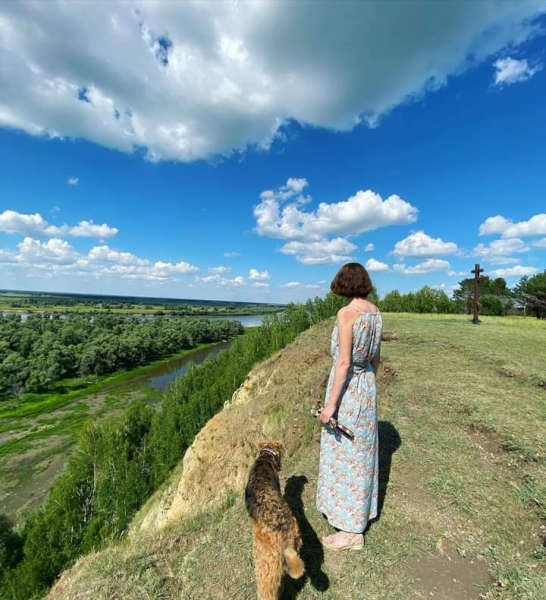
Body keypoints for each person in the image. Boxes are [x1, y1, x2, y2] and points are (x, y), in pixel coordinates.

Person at [316, 262, 383, 551]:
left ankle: (351, 532)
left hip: (348, 390)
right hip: (366, 386)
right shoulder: (376, 314)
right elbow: (376, 360)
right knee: (362, 453)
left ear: (343, 284)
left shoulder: (347, 314)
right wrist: (367, 387)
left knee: (346, 456)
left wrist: (331, 405)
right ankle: (360, 513)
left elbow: (343, 362)